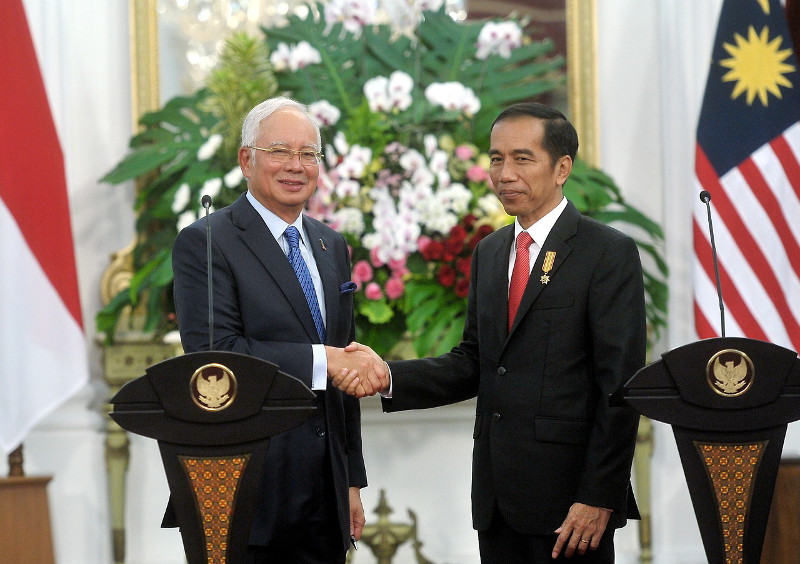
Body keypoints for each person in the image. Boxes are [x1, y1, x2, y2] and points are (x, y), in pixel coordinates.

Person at [335, 102, 646, 563]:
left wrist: (600, 495)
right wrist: (387, 375)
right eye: (496, 158)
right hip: (498, 499)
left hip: (572, 507)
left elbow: (618, 388)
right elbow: (474, 362)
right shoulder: (490, 251)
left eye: (522, 158)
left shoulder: (607, 253)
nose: (504, 173)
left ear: (562, 168)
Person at [172, 96, 385, 563]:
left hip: (323, 494)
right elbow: (217, 354)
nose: (296, 166)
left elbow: (343, 368)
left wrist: (350, 479)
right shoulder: (206, 242)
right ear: (246, 159)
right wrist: (324, 360)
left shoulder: (331, 245)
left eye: (308, 154)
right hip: (247, 490)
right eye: (280, 151)